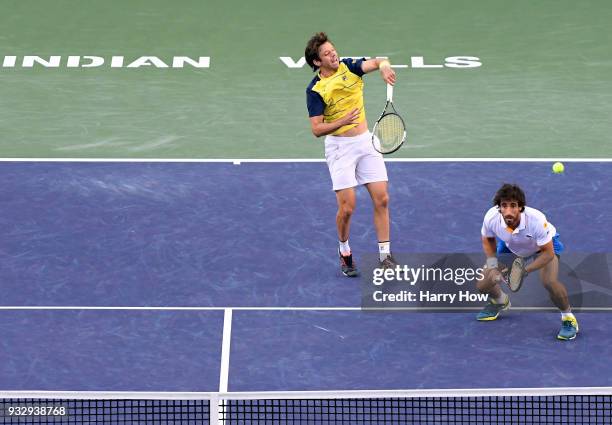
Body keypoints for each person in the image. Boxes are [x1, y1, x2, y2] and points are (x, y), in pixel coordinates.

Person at [304, 32, 397, 277]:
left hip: (366, 142)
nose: (333, 54)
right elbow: (316, 129)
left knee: (382, 198)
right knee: (347, 208)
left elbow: (378, 61)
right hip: (339, 148)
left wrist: (384, 66)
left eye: (333, 50)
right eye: (326, 53)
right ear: (317, 62)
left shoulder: (350, 67)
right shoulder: (315, 89)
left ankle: (385, 256)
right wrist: (342, 121)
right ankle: (344, 249)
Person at [476, 183, 578, 340]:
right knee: (483, 284)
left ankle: (568, 318)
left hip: (542, 248)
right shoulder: (491, 217)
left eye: (513, 206)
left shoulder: (536, 220)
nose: (508, 211)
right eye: (504, 205)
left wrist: (524, 271)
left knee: (549, 281)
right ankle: (500, 301)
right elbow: (488, 240)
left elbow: (548, 253)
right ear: (499, 207)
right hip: (511, 246)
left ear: (521, 207)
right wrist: (493, 266)